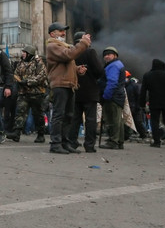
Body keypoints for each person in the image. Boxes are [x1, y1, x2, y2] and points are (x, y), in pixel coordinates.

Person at [45, 22, 91, 154]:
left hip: (69, 84)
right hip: (60, 84)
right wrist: (83, 43)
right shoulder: (53, 46)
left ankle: (65, 143)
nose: (63, 33)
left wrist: (77, 69)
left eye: (63, 31)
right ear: (52, 34)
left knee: (69, 115)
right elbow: (68, 55)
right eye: (60, 31)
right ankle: (55, 144)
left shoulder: (63, 46)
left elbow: (65, 63)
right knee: (59, 115)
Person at [67, 31, 104, 152]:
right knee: (90, 119)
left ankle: (72, 142)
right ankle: (89, 145)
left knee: (75, 119)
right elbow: (99, 70)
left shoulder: (71, 52)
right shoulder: (90, 52)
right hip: (90, 91)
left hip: (75, 90)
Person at [7, 46, 48, 143]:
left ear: (30, 53)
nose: (23, 54)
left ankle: (40, 134)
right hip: (23, 93)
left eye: (24, 52)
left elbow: (41, 76)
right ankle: (16, 133)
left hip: (36, 93)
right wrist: (19, 81)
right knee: (20, 112)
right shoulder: (21, 63)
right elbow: (16, 74)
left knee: (38, 114)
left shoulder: (39, 63)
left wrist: (28, 82)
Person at [139, 59, 165, 148]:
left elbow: (143, 91)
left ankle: (157, 141)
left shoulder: (147, 75)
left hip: (154, 103)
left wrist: (142, 104)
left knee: (154, 122)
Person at [99, 47, 126, 150]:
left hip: (112, 97)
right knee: (118, 119)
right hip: (117, 96)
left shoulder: (113, 66)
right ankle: (119, 141)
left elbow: (112, 82)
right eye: (105, 55)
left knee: (113, 120)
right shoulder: (117, 64)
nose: (106, 56)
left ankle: (113, 141)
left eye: (109, 54)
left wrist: (105, 96)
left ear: (115, 55)